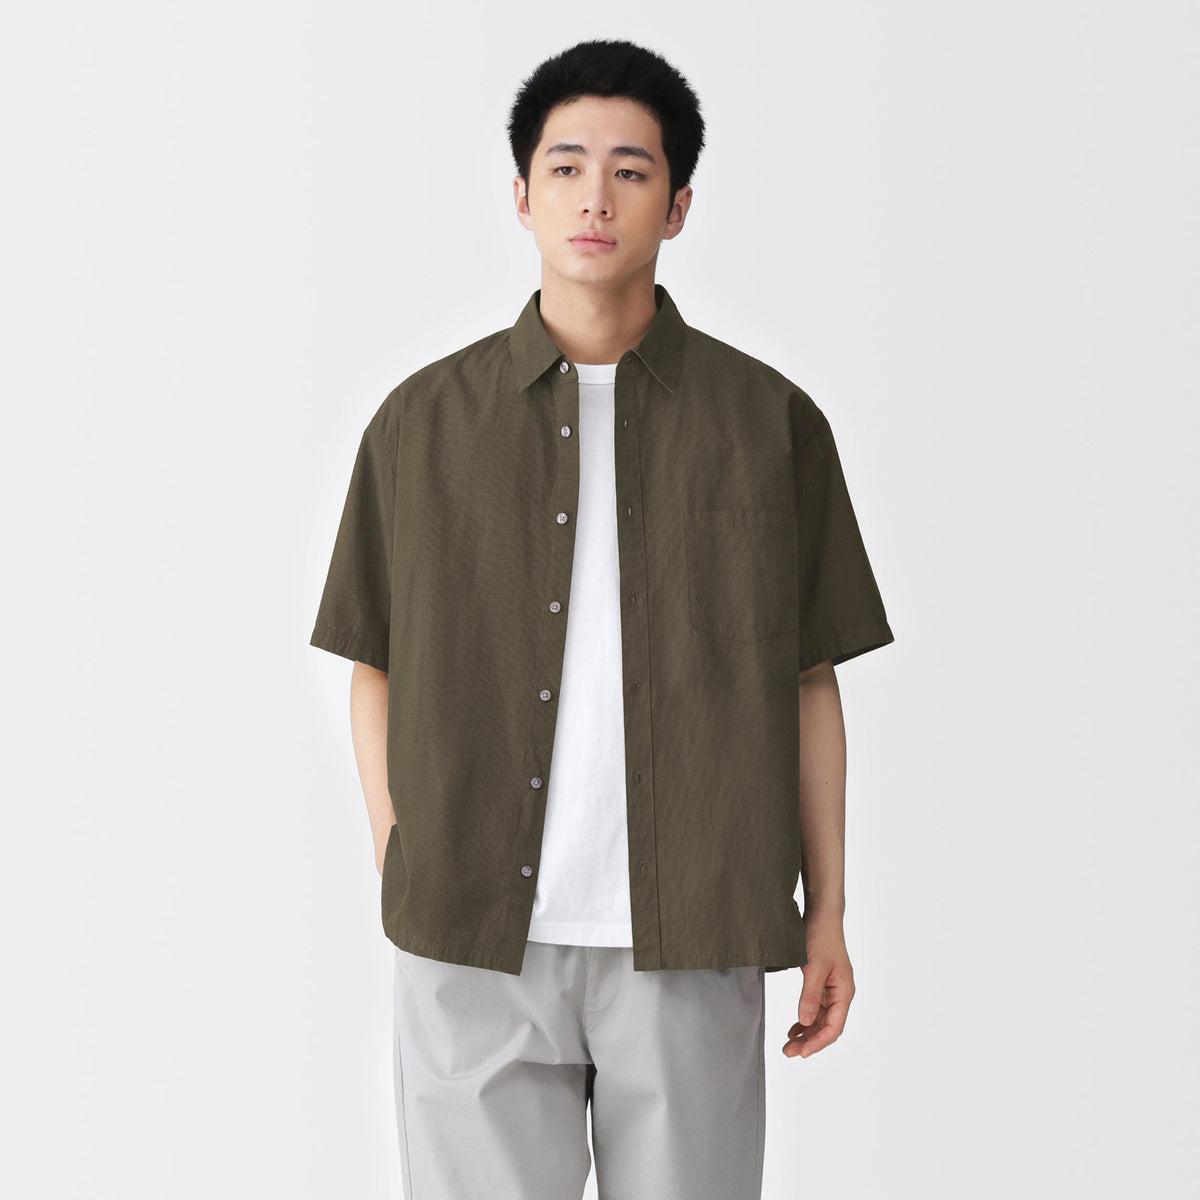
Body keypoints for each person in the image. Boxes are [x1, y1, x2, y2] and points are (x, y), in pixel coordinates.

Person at [309, 36, 895, 1200]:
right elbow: (374, 660)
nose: (594, 197)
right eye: (566, 167)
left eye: (630, 171)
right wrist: (400, 852)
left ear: (677, 207)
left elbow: (807, 679)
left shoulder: (768, 424)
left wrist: (827, 912)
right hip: (472, 933)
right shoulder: (421, 426)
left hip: (693, 933)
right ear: (521, 194)